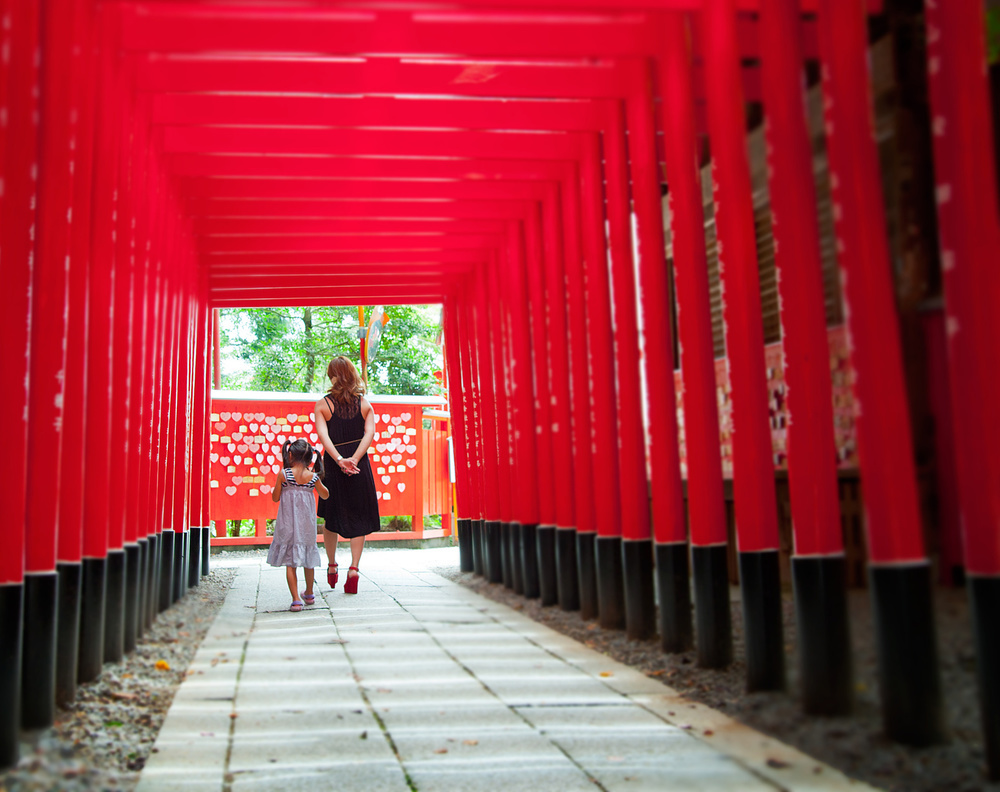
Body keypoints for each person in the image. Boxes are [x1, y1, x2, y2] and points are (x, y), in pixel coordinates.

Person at [315, 356, 381, 594]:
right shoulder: (365, 404)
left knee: (330, 518)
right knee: (359, 516)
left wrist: (339, 460)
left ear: (333, 375)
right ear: (352, 374)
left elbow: (324, 437)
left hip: (333, 466)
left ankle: (332, 565)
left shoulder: (323, 405)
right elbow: (369, 434)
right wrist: (354, 459)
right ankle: (353, 569)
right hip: (359, 465)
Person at [267, 439, 330, 611]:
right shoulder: (313, 477)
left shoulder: (284, 474)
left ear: (290, 455)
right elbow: (325, 495)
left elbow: (275, 497)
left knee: (290, 561)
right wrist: (317, 478)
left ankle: (296, 599)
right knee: (308, 559)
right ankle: (309, 593)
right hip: (306, 526)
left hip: (287, 524)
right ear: (310, 458)